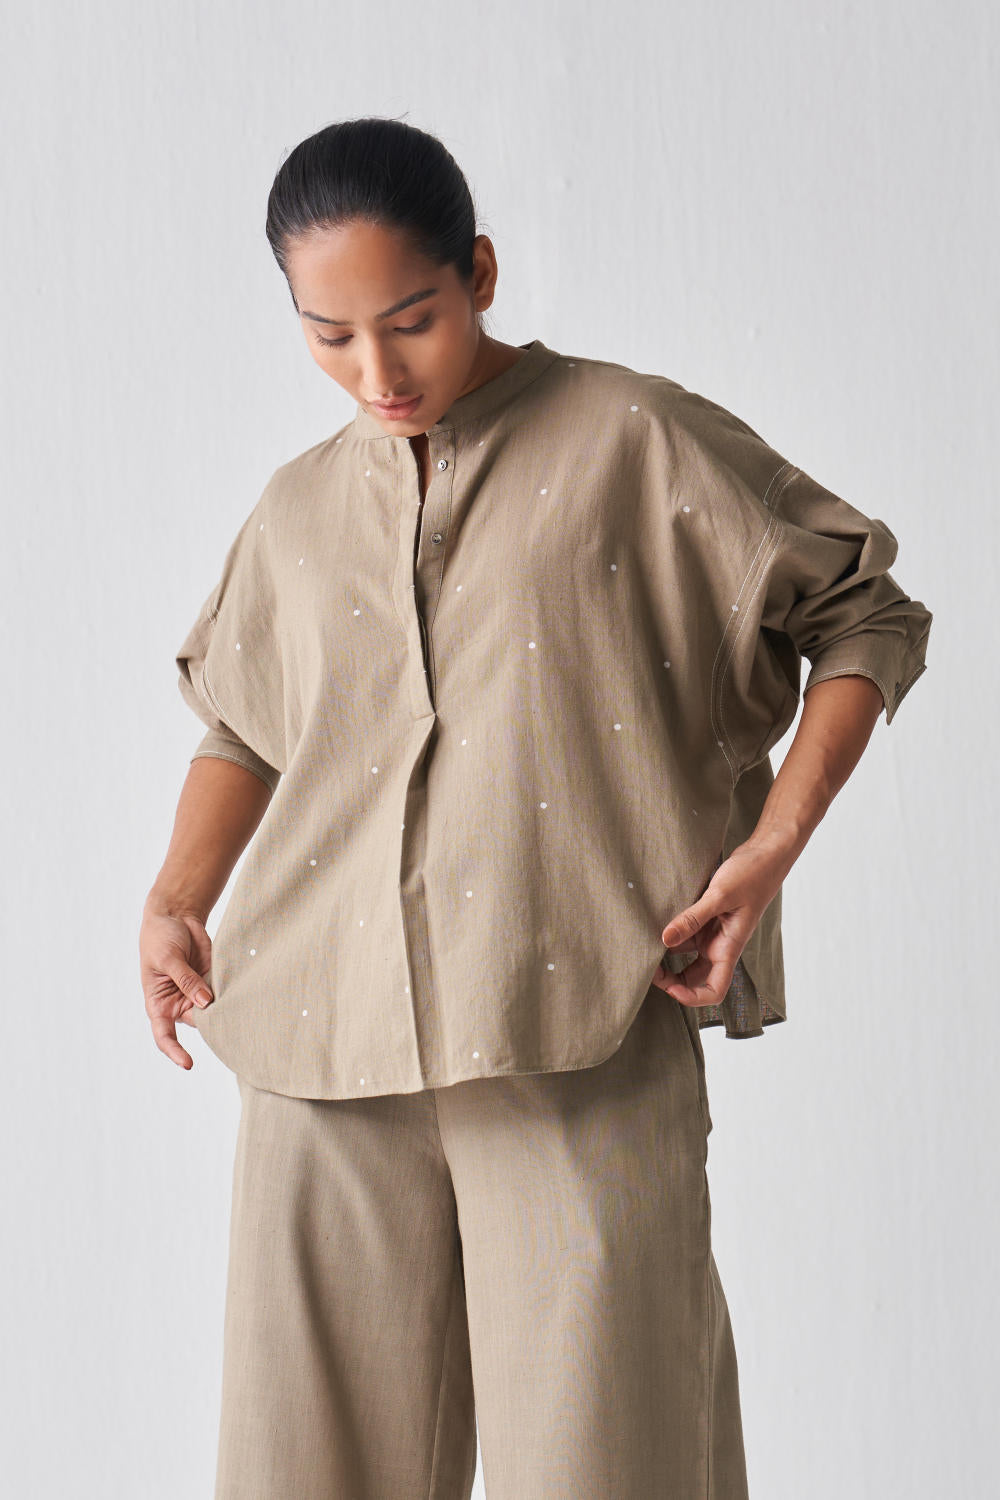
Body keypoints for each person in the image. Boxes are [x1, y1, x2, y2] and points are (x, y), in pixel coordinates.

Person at [139, 115, 933, 1499]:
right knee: (301, 1471)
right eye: (330, 336)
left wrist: (771, 849)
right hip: (321, 1048)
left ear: (483, 273)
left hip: (582, 1028)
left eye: (412, 319)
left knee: (611, 1461)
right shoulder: (300, 505)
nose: (377, 372)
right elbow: (247, 725)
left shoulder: (637, 437)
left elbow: (864, 613)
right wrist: (174, 896)